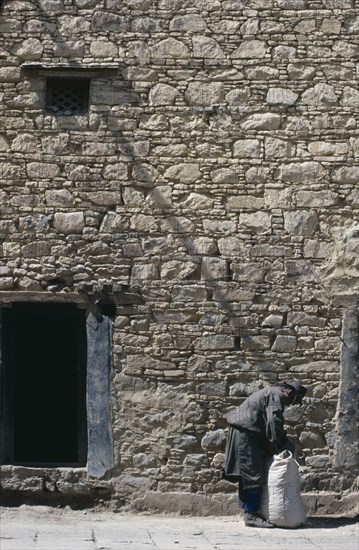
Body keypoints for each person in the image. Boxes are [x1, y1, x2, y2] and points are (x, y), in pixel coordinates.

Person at [222, 380, 307, 528]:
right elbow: (274, 423)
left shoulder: (272, 393)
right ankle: (251, 515)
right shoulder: (276, 395)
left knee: (249, 473)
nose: (291, 404)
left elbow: (269, 424)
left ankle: (250, 511)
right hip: (246, 434)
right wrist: (285, 445)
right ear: (289, 393)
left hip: (247, 433)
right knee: (253, 474)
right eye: (294, 401)